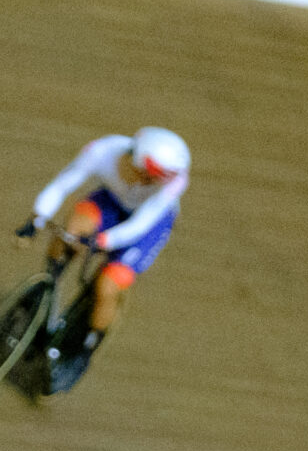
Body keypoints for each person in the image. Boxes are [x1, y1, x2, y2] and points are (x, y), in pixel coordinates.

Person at [20, 127, 189, 389]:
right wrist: (36, 219)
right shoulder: (102, 152)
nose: (151, 183)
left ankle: (87, 347)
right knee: (71, 231)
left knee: (109, 284)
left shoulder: (171, 186)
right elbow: (63, 184)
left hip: (149, 226)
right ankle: (46, 289)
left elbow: (139, 227)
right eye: (148, 176)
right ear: (135, 161)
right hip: (112, 201)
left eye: (157, 179)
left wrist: (102, 241)